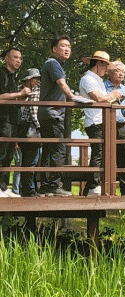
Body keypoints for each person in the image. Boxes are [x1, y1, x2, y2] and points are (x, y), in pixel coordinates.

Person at [79, 51, 125, 196]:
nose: (107, 70)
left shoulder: (97, 80)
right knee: (98, 154)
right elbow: (99, 98)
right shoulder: (88, 79)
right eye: (105, 66)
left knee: (102, 154)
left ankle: (91, 188)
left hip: (101, 121)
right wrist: (114, 94)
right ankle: (93, 186)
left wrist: (115, 98)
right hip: (95, 122)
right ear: (98, 64)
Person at [38, 36, 76, 196]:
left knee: (49, 150)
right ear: (54, 48)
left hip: (48, 113)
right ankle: (54, 185)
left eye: (69, 46)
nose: (67, 49)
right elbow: (61, 84)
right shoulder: (53, 63)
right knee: (59, 149)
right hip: (52, 114)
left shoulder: (55, 64)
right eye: (63, 46)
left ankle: (46, 186)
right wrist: (73, 97)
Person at [0, 48, 30, 198]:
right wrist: (19, 94)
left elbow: (11, 97)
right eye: (15, 57)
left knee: (9, 154)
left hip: (13, 119)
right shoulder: (2, 74)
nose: (19, 60)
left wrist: (21, 98)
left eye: (20, 58)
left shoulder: (13, 77)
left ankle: (4, 187)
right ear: (6, 58)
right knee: (2, 152)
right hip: (3, 119)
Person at [105, 60, 125, 195]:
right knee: (105, 156)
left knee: (124, 157)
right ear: (110, 72)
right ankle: (103, 188)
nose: (121, 74)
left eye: (123, 71)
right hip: (107, 124)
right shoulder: (103, 86)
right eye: (118, 71)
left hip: (122, 125)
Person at [19, 68, 42, 197]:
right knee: (32, 160)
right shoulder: (36, 91)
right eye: (35, 79)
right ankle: (30, 190)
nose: (38, 81)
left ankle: (26, 188)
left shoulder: (23, 92)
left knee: (27, 160)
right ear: (28, 80)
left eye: (38, 79)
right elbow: (34, 111)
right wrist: (39, 127)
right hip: (31, 128)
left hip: (24, 127)